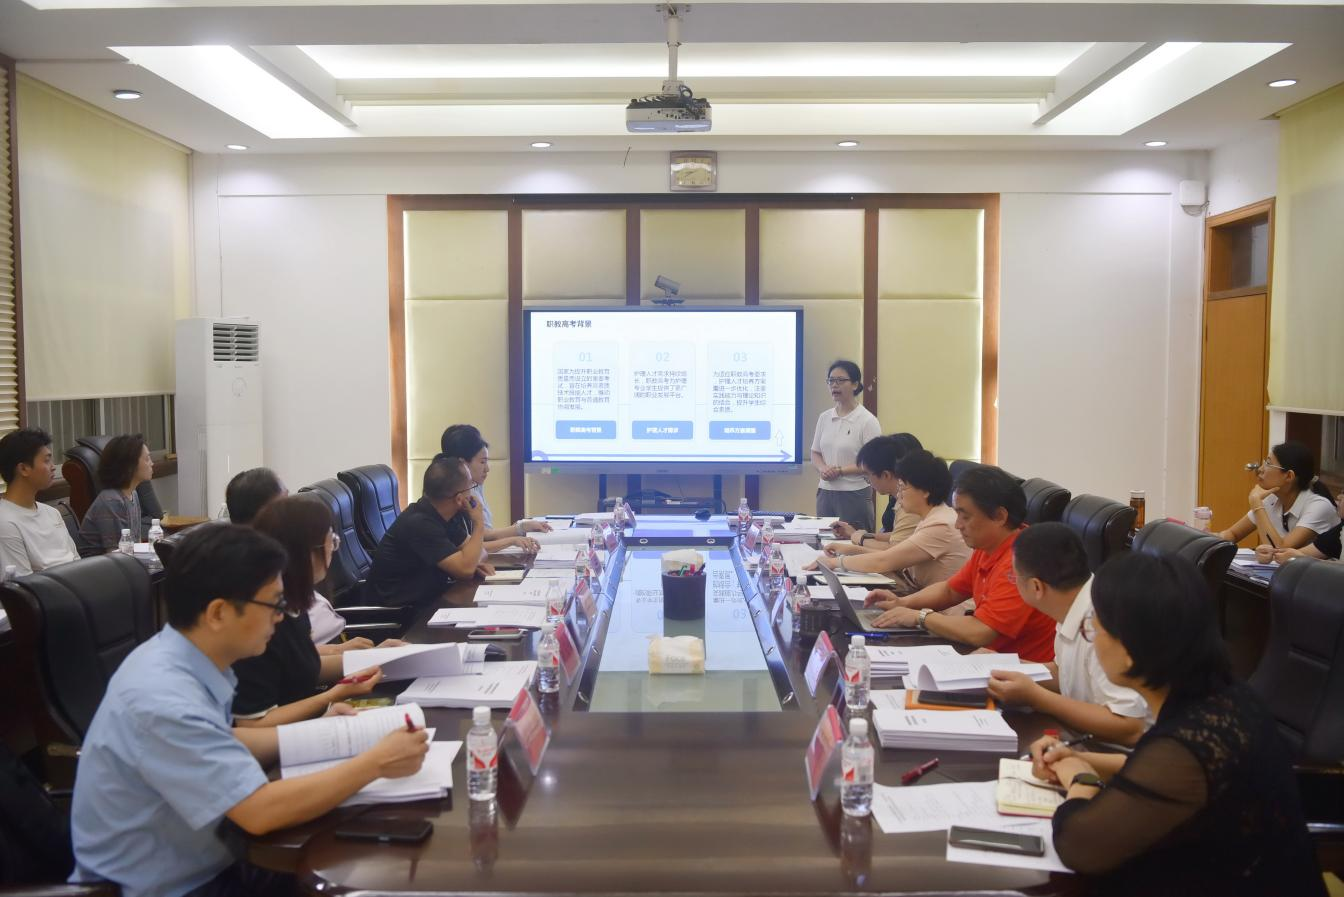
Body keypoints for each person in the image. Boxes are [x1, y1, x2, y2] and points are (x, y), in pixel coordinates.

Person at [69, 524, 429, 897]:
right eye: (274, 604)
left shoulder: (184, 657)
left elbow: (223, 738)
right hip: (171, 887)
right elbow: (259, 812)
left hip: (212, 856)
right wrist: (375, 763)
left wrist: (318, 730)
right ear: (218, 613)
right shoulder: (163, 697)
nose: (281, 616)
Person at [1029, 552, 1324, 896]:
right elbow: (1161, 770)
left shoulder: (1189, 741)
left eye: (1095, 629)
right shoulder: (1217, 695)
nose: (1092, 640)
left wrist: (1080, 779)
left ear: (1131, 646)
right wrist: (1078, 758)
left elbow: (1080, 846)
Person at [862, 465, 1056, 662]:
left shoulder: (1021, 562)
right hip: (985, 659)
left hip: (1020, 672)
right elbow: (950, 590)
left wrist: (921, 617)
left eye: (965, 517)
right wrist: (902, 603)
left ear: (999, 516)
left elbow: (981, 631)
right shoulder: (988, 546)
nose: (958, 525)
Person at [232, 496, 397, 726]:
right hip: (285, 739)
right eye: (332, 542)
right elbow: (252, 725)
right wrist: (332, 696)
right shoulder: (261, 617)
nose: (334, 550)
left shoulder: (294, 602)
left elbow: (304, 667)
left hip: (308, 725)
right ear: (306, 553)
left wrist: (377, 657)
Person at [985, 523, 1148, 746]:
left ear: (1036, 587)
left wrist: (1037, 698)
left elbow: (1130, 726)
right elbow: (1064, 672)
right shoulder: (1074, 601)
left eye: (1014, 577)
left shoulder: (1101, 624)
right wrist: (1001, 666)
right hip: (1082, 739)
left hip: (1121, 755)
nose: (1013, 583)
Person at [224, 466, 360, 648]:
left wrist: (342, 652)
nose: (293, 507)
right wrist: (345, 654)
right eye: (286, 501)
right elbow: (281, 657)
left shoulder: (275, 562)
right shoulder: (259, 580)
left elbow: (298, 654)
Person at [811, 448, 971, 597]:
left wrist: (833, 562)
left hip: (945, 612)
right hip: (922, 597)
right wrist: (850, 549)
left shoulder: (940, 525)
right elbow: (889, 556)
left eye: (903, 488)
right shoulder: (932, 517)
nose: (899, 495)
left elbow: (883, 561)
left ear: (925, 491)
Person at [368, 455, 493, 606]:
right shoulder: (419, 524)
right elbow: (465, 570)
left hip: (426, 601)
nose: (472, 494)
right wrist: (478, 523)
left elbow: (481, 554)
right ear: (459, 499)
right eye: (470, 487)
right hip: (400, 612)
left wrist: (470, 563)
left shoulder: (443, 514)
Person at [440, 424, 548, 552]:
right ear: (463, 463)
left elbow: (484, 535)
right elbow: (476, 542)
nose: (487, 468)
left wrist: (521, 528)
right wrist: (515, 536)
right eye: (482, 462)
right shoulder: (457, 496)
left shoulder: (475, 486)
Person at [1217, 440, 1337, 550]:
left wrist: (1257, 504)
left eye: (1268, 464)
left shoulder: (1318, 506)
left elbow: (1279, 549)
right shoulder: (1272, 499)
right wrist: (1207, 537)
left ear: (1289, 476)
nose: (1260, 469)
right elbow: (1233, 534)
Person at [810, 360, 882, 532]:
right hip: (825, 492)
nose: (834, 385)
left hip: (854, 493)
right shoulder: (824, 417)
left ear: (855, 384)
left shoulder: (867, 420)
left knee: (855, 541)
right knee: (826, 540)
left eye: (841, 380)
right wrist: (823, 469)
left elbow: (873, 461)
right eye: (831, 381)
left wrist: (840, 471)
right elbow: (815, 452)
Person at [0, 427, 78, 575]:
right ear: (23, 469)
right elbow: (22, 584)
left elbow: (76, 561)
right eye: (47, 461)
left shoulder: (52, 513)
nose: (53, 467)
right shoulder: (5, 523)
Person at [830, 433, 924, 548]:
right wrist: (859, 535)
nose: (868, 480)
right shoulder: (901, 498)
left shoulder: (910, 505)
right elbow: (897, 536)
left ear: (886, 475)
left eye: (867, 474)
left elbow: (893, 553)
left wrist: (856, 540)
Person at [77, 434, 153, 556]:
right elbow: (116, 555)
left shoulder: (133, 494)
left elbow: (135, 545)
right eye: (147, 459)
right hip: (98, 565)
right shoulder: (112, 500)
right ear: (130, 465)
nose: (152, 463)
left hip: (124, 560)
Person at [1259, 487, 1343, 563]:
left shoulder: (1320, 504)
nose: (1339, 497)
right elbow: (1294, 555)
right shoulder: (1340, 529)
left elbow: (1339, 569)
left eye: (1343, 494)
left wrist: (1257, 505)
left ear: (1289, 477)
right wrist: (1270, 554)